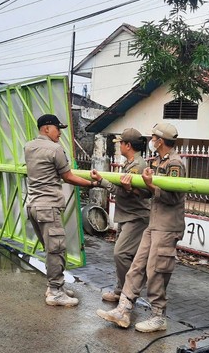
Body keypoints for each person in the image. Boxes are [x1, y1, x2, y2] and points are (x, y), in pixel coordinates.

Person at [96, 122, 186, 333]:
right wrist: (134, 187)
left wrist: (151, 185)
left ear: (160, 141)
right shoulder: (155, 162)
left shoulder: (175, 164)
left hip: (167, 225)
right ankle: (124, 309)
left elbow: (173, 198)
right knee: (137, 266)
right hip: (153, 223)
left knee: (156, 271)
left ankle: (158, 316)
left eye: (154, 138)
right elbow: (146, 194)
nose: (151, 141)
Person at [24, 114, 101, 307]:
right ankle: (56, 292)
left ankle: (54, 286)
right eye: (58, 129)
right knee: (56, 250)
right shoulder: (55, 149)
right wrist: (92, 184)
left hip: (33, 205)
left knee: (51, 249)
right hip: (48, 207)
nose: (59, 133)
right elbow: (68, 177)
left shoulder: (29, 146)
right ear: (46, 128)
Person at [92, 128, 150, 302]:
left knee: (121, 254)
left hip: (136, 217)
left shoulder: (138, 166)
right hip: (125, 215)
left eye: (121, 144)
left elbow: (123, 192)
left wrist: (102, 182)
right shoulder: (130, 163)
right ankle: (121, 290)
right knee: (124, 255)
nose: (119, 147)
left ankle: (128, 292)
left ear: (128, 145)